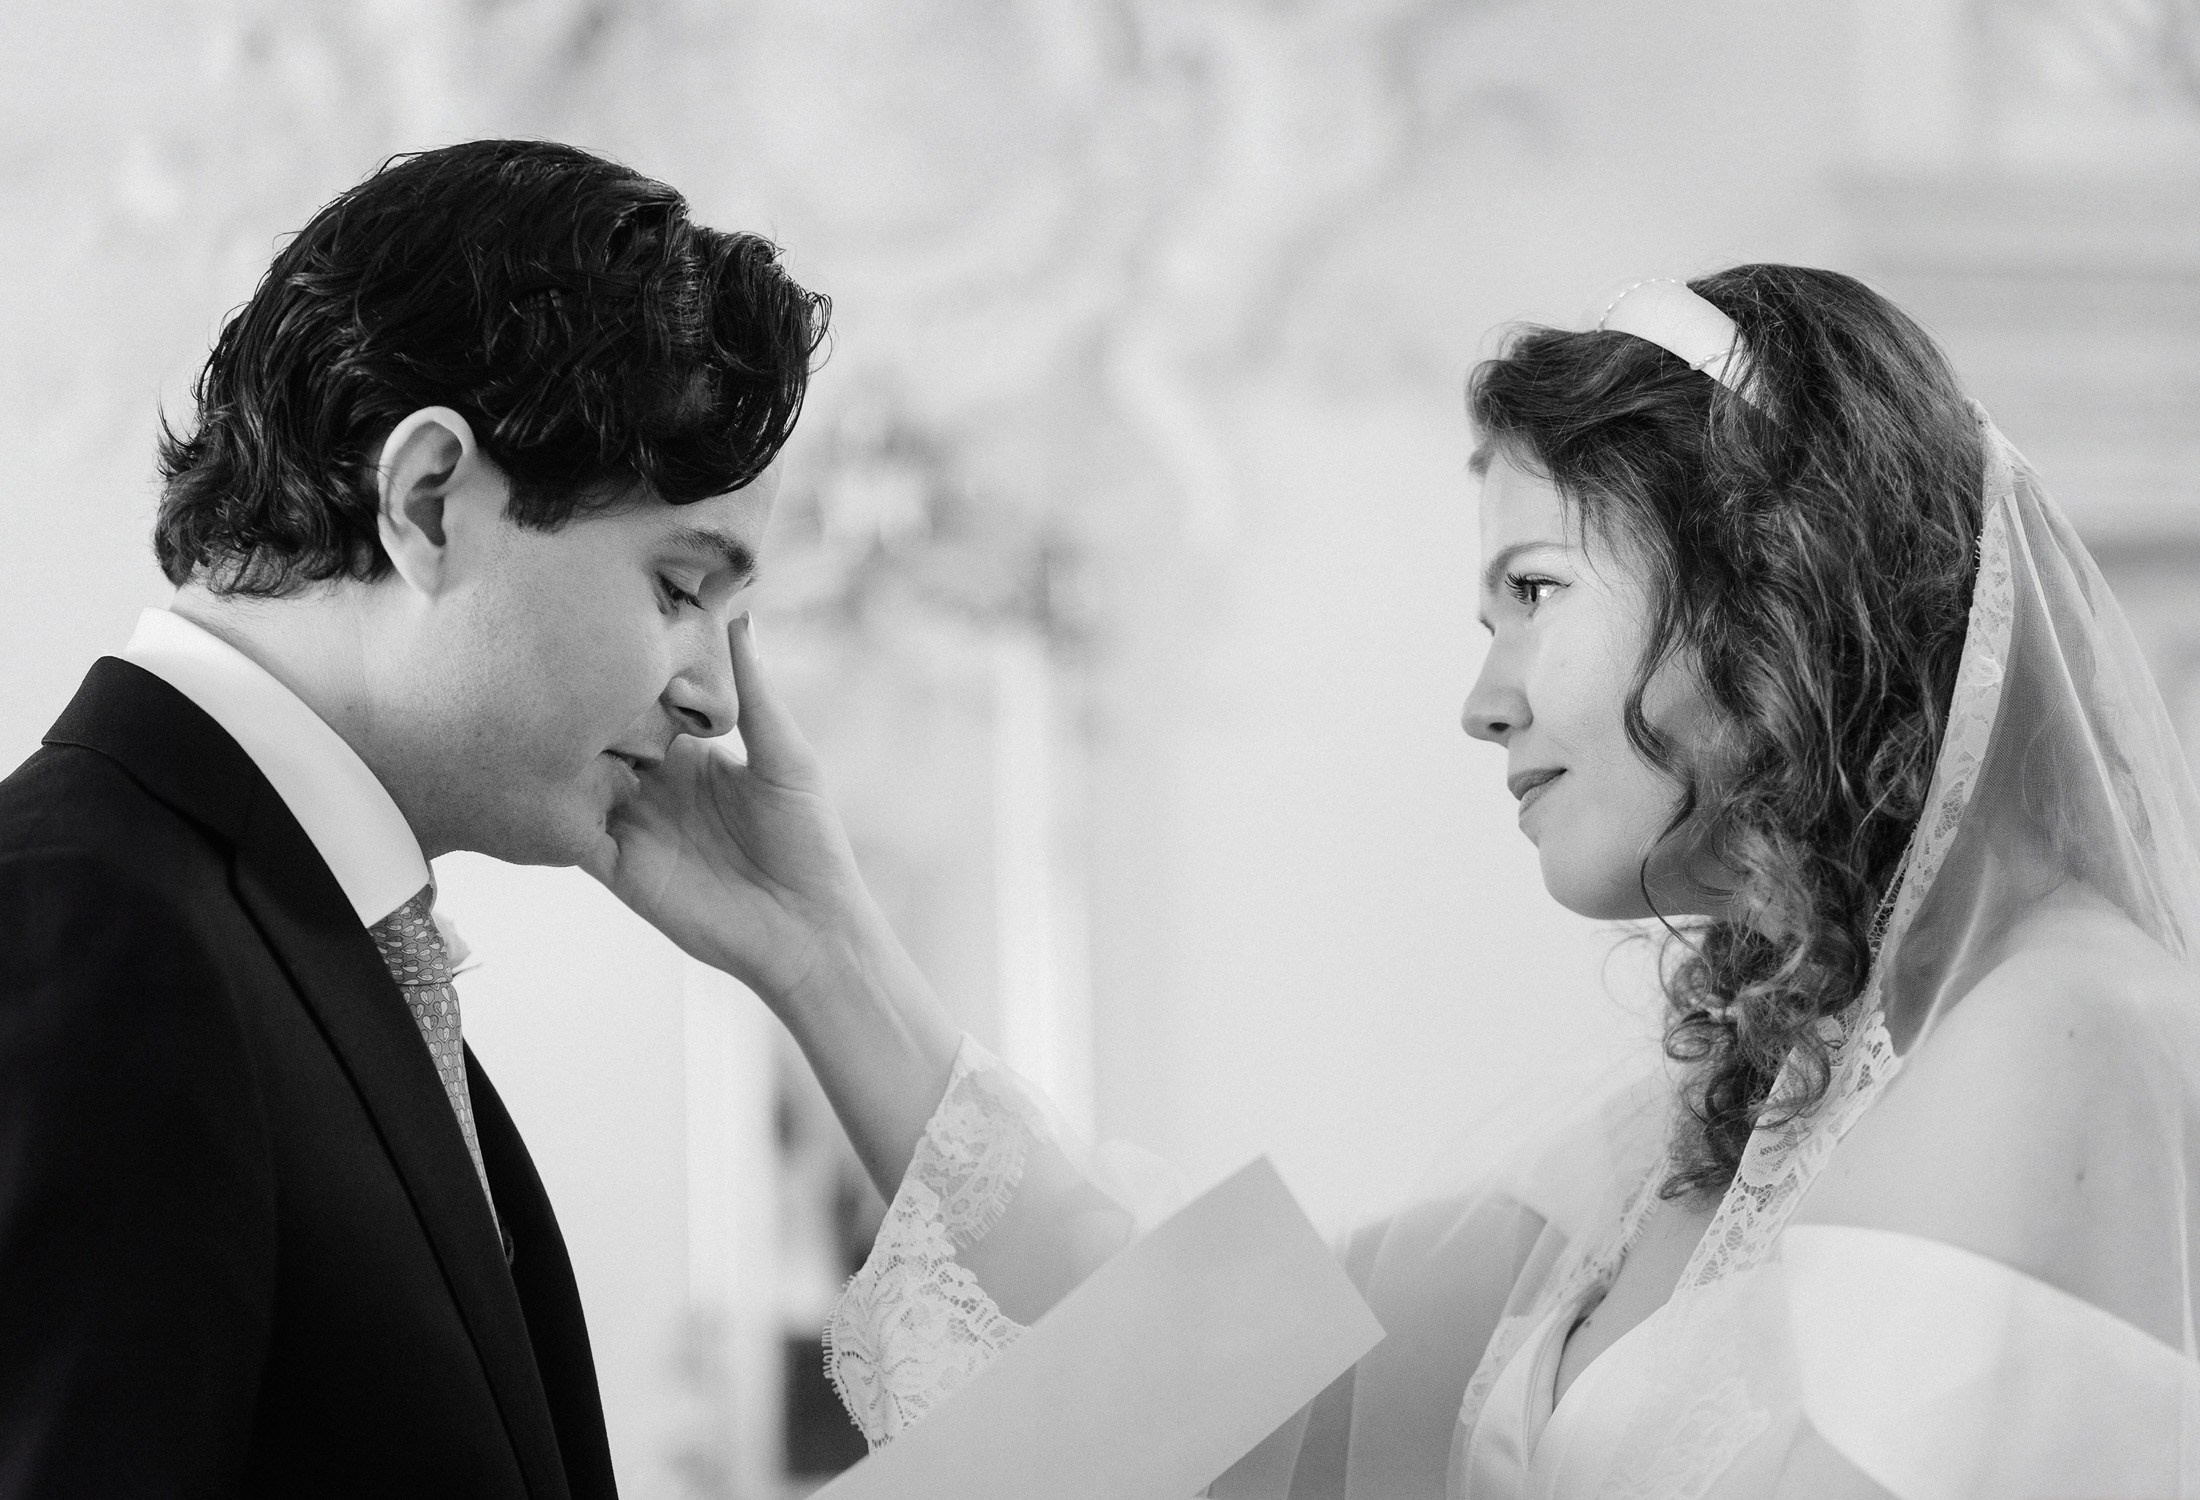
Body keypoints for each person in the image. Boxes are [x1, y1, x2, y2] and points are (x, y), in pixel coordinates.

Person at [628, 265, 2200, 1494]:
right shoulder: (1720, 1116)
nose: (1487, 699)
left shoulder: (2057, 1025)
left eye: (1535, 592)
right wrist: (817, 947)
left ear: (1761, 572)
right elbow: (1217, 1384)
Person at [0, 139, 852, 1496]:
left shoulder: (285, 936)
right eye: (683, 591)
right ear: (428, 498)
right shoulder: (83, 921)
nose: (717, 706)